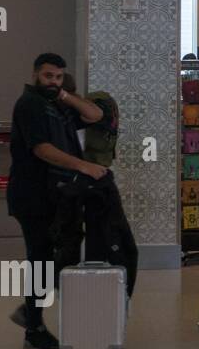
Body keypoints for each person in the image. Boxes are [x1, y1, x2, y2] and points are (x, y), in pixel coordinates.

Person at [6, 53, 108, 349]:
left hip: (58, 194)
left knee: (63, 252)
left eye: (58, 77)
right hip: (32, 195)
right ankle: (34, 329)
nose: (53, 81)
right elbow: (42, 149)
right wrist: (82, 165)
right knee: (40, 257)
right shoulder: (30, 105)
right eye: (48, 76)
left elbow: (95, 116)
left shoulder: (56, 104)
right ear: (36, 74)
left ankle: (31, 312)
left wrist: (65, 95)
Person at [55, 73, 139, 299]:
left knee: (74, 246)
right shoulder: (97, 105)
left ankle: (71, 300)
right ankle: (111, 300)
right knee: (110, 245)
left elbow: (96, 114)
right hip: (92, 183)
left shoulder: (71, 113)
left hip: (78, 184)